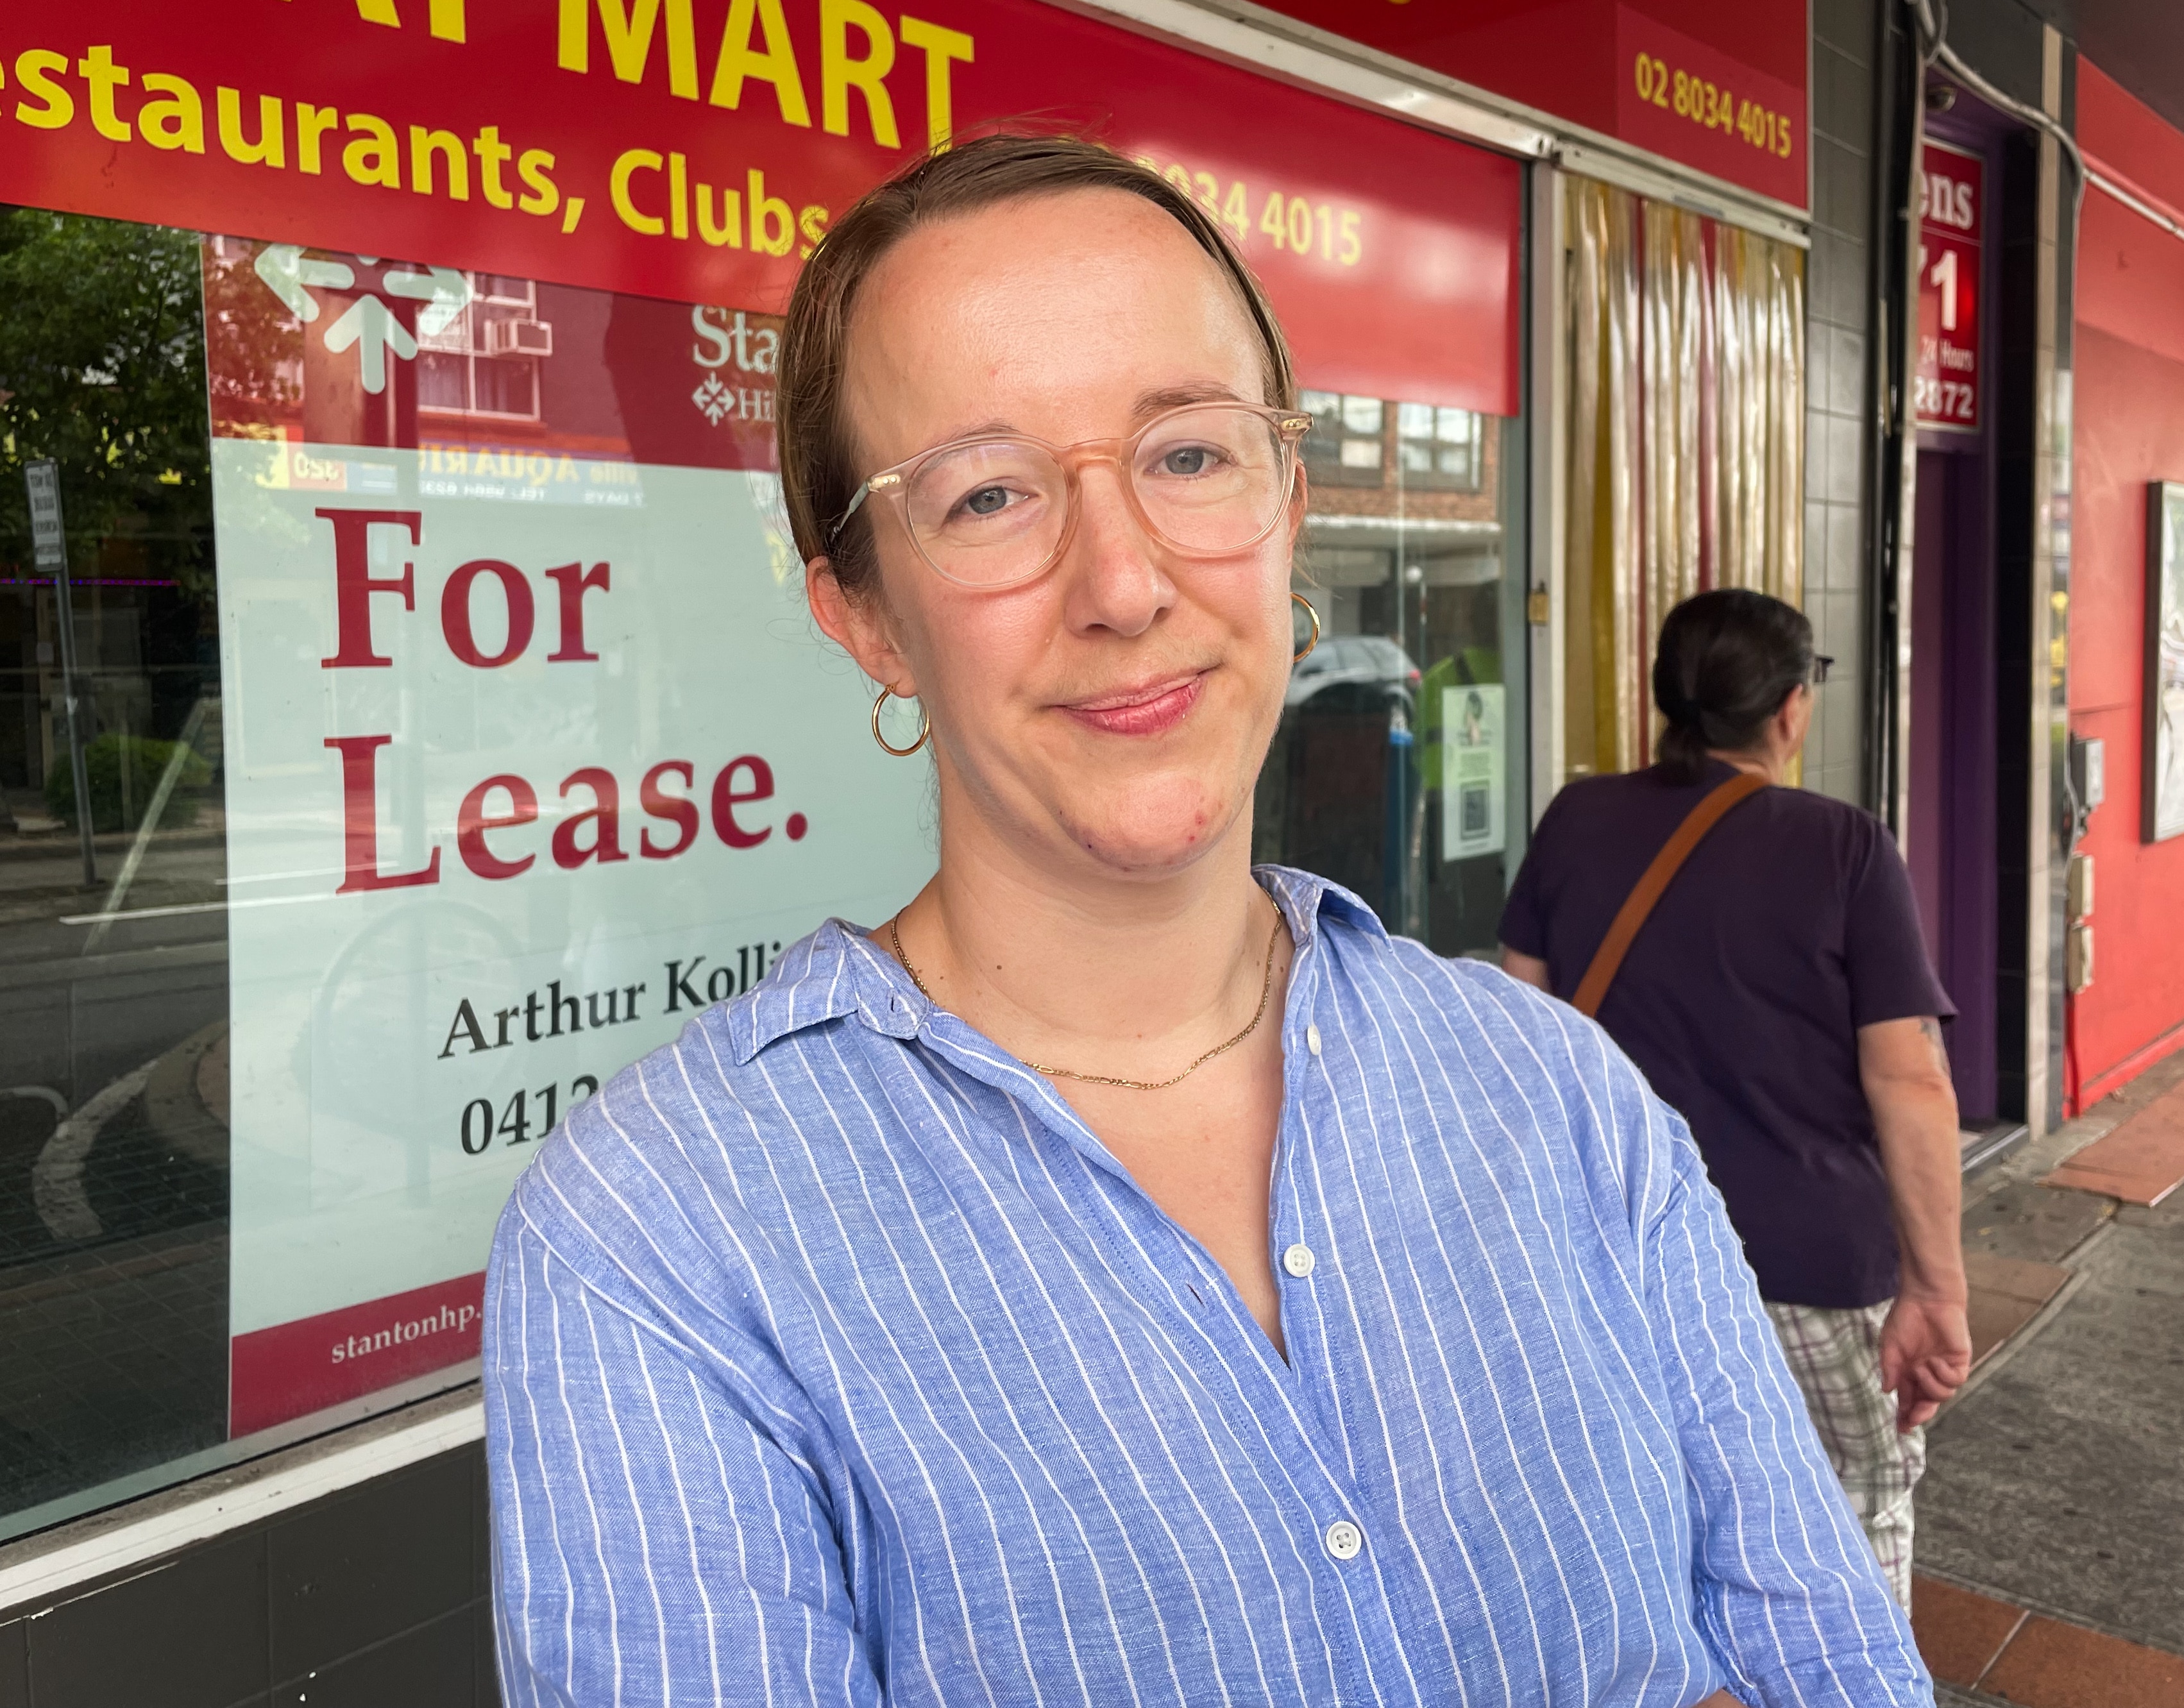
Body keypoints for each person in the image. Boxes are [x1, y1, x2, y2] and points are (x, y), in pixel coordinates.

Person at [482, 137, 1933, 1707]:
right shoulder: (664, 1239)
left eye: (1188, 455)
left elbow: (1833, 1664)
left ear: (1290, 507)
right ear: (865, 617)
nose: (1122, 579)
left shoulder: (1560, 1101)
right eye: (985, 493)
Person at [1500, 588, 1971, 1610]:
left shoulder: (1576, 818)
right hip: (1805, 1263)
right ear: (1792, 709)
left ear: (1669, 696)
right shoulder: (1843, 847)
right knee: (1852, 1513)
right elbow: (1911, 1079)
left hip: (1613, 1253)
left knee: (1657, 1522)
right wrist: (1936, 1290)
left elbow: (1522, 1035)